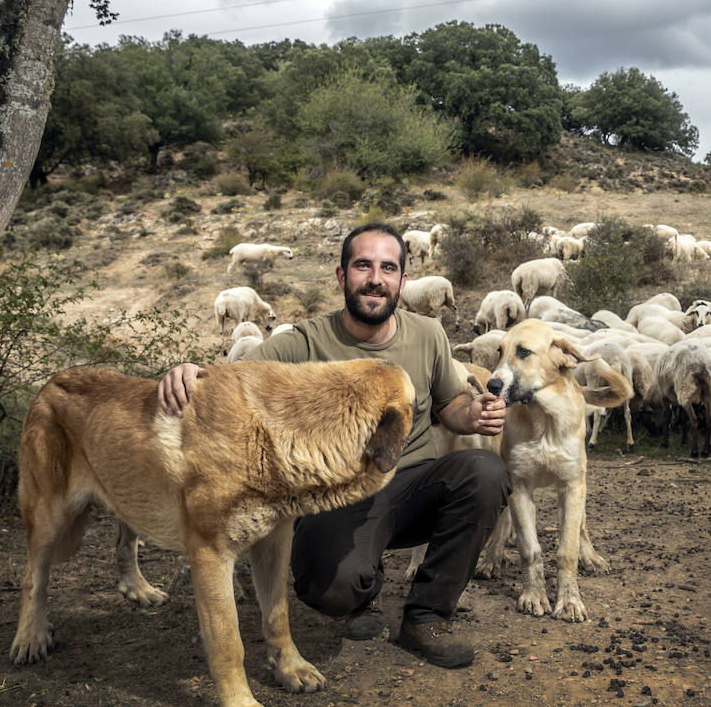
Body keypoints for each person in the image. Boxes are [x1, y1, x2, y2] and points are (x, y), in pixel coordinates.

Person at [158, 223, 509, 668]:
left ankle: (427, 616)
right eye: (363, 265)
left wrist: (473, 413)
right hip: (337, 495)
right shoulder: (305, 342)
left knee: (485, 473)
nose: (375, 278)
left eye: (388, 268)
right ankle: (361, 592)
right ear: (342, 277)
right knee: (329, 590)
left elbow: (450, 404)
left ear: (403, 281)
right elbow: (232, 378)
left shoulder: (428, 335)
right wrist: (188, 370)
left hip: (414, 479)